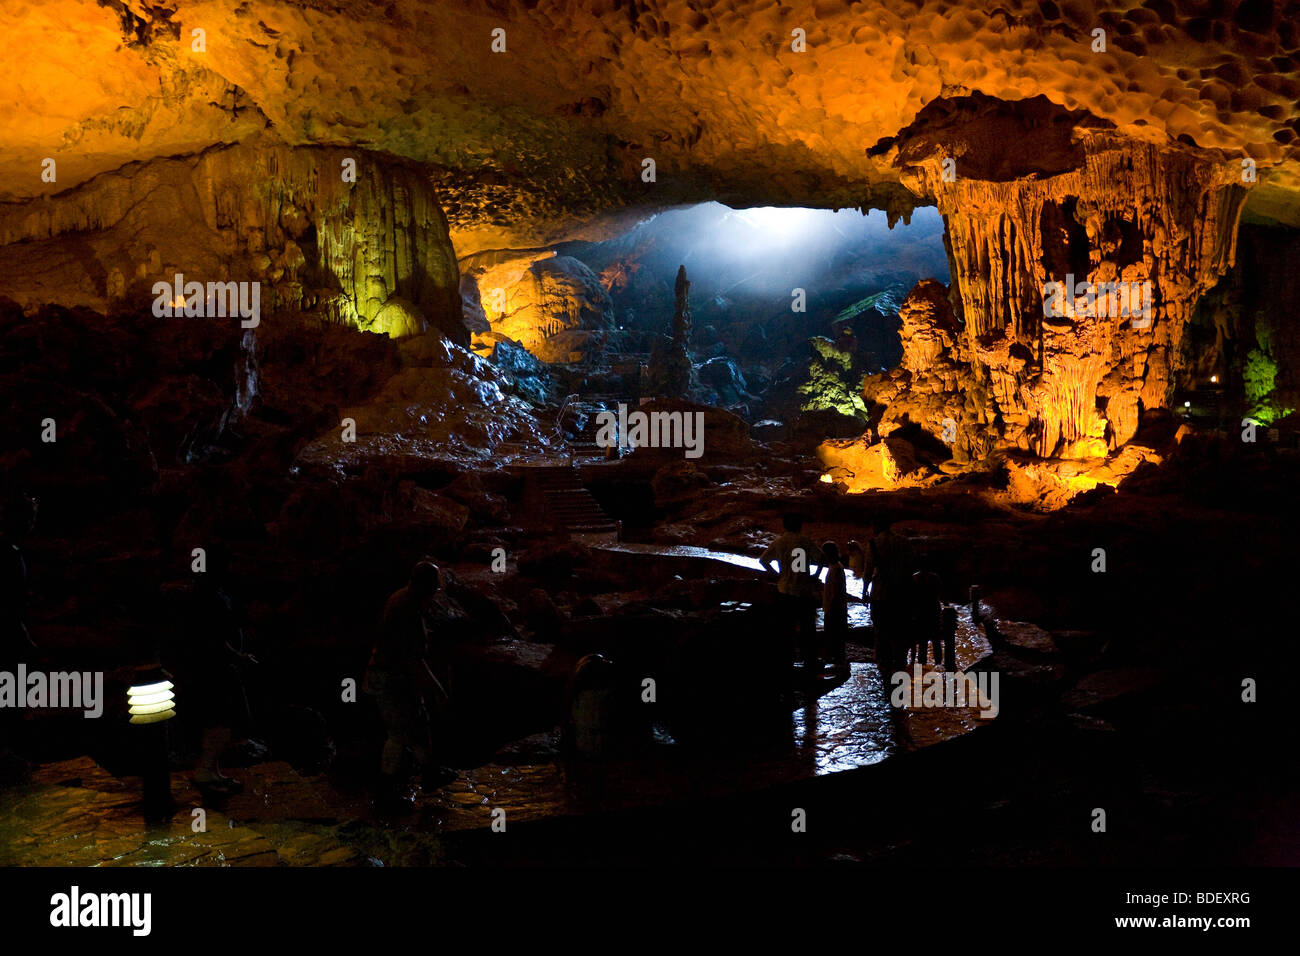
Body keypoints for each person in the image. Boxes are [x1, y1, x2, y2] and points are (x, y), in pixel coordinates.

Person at [363, 560, 456, 811]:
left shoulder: (403, 598)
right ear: (426, 586)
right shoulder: (407, 609)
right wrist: (437, 689)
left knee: (418, 722)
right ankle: (385, 793)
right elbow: (413, 659)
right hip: (389, 679)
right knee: (398, 734)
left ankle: (429, 772)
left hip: (394, 676)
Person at [183, 543, 256, 796]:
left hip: (213, 666)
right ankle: (205, 770)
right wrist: (238, 657)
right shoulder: (208, 595)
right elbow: (212, 637)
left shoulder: (210, 590)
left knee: (218, 721)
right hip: (215, 669)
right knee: (222, 721)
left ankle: (212, 771)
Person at [0, 493, 38, 772]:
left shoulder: (11, 551)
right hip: (8, 635)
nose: (31, 524)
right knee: (10, 692)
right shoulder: (8, 554)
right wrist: (23, 634)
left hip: (11, 632)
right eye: (27, 517)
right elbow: (9, 603)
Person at [760, 514, 824, 668]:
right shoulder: (805, 541)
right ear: (800, 525)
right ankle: (809, 660)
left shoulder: (779, 542)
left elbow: (763, 560)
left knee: (786, 628)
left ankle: (786, 660)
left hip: (785, 591)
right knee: (807, 628)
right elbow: (821, 558)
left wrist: (777, 575)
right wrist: (815, 575)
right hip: (803, 591)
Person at [867, 518, 915, 679]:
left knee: (881, 629)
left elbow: (868, 570)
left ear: (877, 525)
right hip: (901, 593)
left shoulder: (874, 544)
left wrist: (864, 591)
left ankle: (885, 663)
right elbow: (910, 565)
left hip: (880, 593)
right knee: (900, 629)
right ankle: (900, 663)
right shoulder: (904, 542)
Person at [821, 542, 849, 673]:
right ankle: (838, 663)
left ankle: (838, 664)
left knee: (835, 637)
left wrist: (830, 607)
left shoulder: (836, 569)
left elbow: (835, 591)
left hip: (834, 608)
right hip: (835, 607)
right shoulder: (836, 567)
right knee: (836, 637)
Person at [909, 568, 943, 667]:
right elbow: (939, 593)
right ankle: (938, 665)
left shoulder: (914, 578)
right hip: (933, 611)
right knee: (936, 641)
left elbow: (911, 596)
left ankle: (922, 667)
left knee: (922, 642)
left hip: (921, 612)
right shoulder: (935, 578)